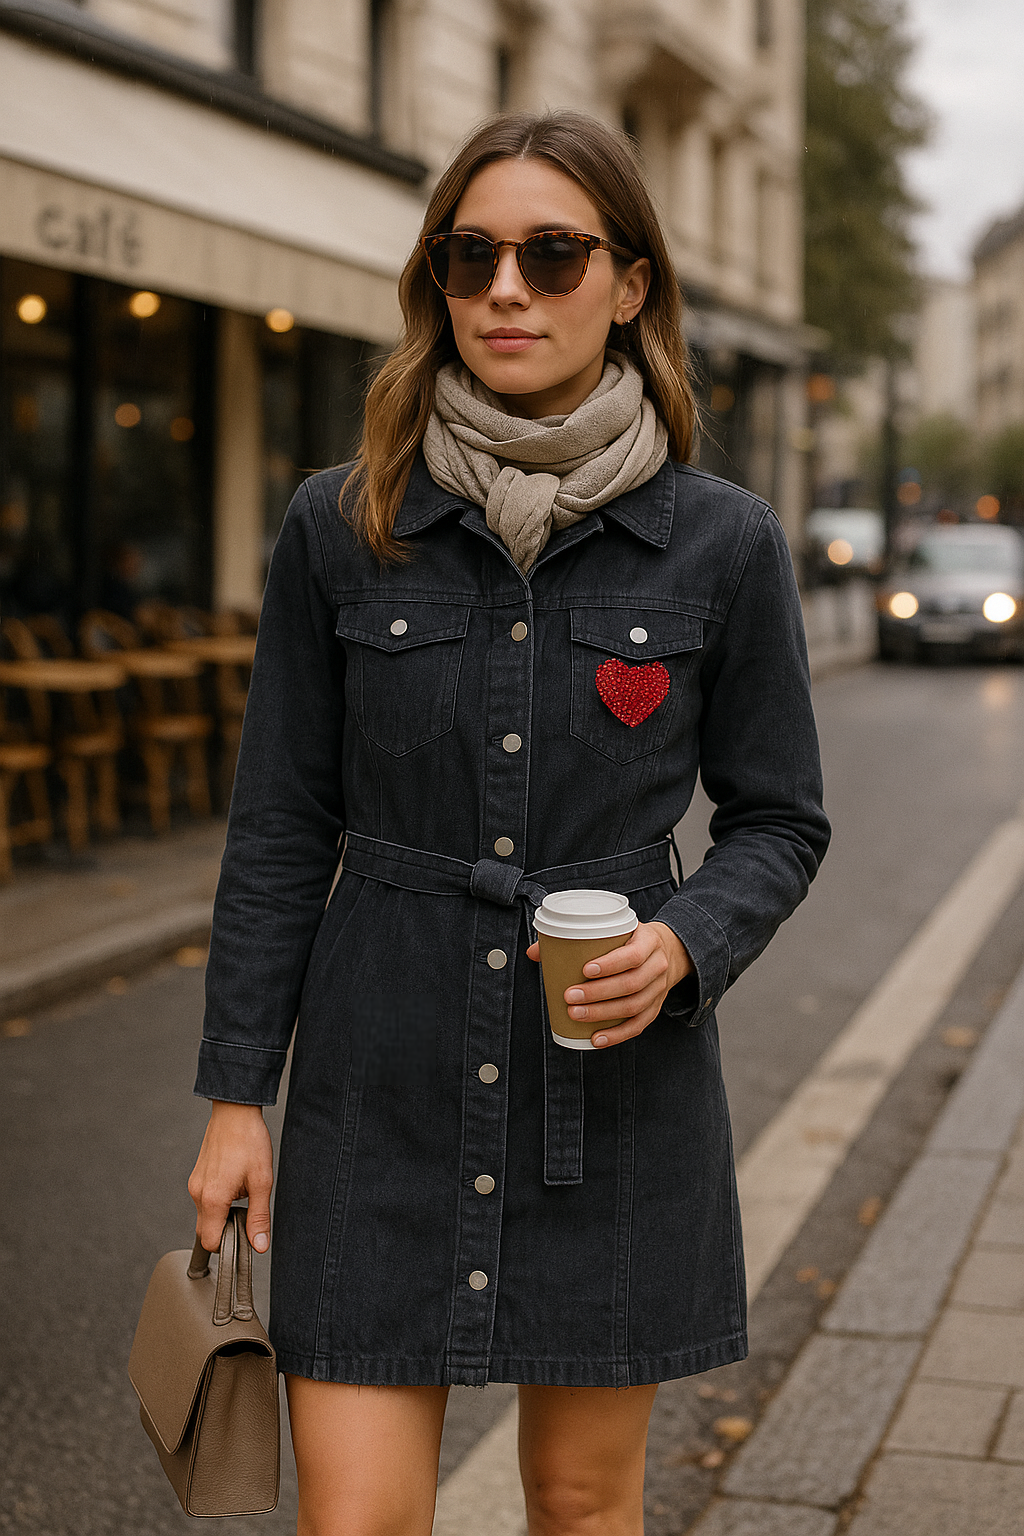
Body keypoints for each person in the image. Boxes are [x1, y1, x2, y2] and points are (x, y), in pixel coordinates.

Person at [188, 111, 830, 1536]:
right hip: (378, 1089)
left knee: (583, 1508)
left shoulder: (722, 541)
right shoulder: (339, 524)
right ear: (437, 280)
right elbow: (282, 827)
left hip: (612, 1097)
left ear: (631, 283)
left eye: (553, 254)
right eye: (471, 255)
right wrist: (239, 1095)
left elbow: (779, 820)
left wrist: (683, 945)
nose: (507, 291)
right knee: (354, 1523)